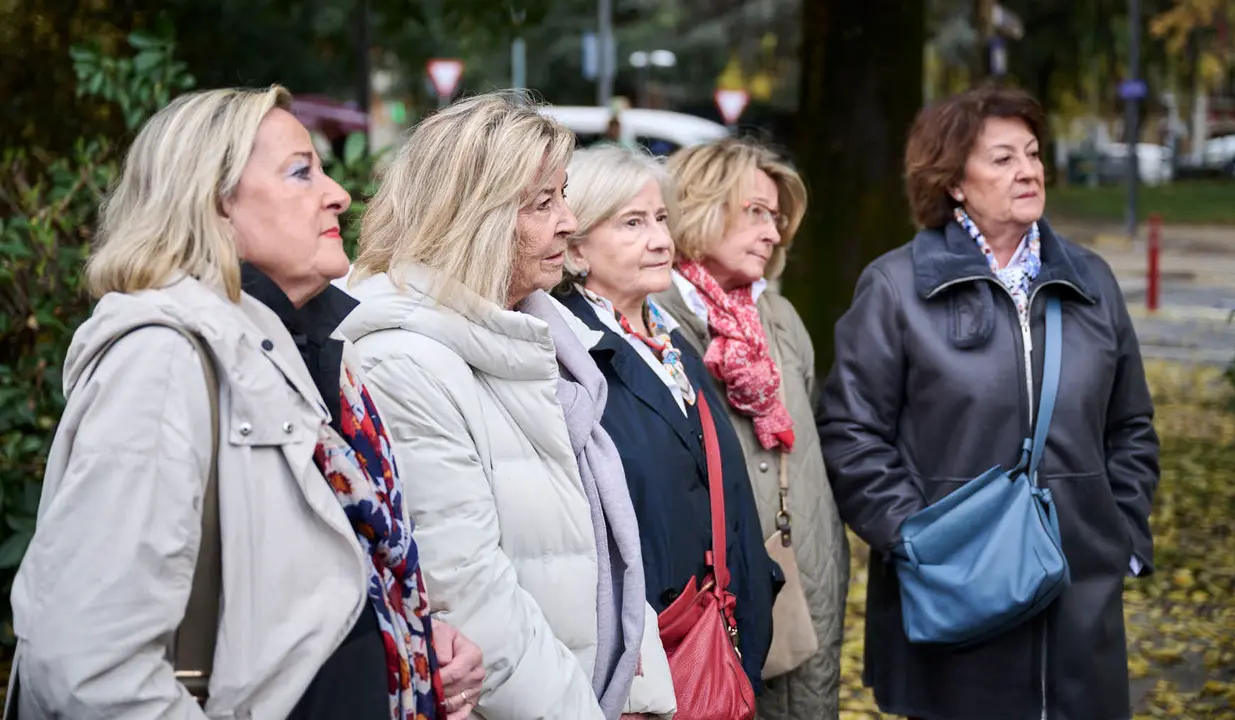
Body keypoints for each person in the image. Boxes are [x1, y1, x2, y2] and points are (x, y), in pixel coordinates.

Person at [7, 86, 483, 719]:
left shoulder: (309, 352)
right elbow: (89, 665)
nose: (338, 194)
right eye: (301, 171)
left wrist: (410, 638)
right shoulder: (163, 359)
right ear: (213, 206)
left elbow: (305, 591)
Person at [817, 85, 1159, 720]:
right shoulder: (896, 287)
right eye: (1002, 159)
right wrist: (917, 539)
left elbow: (1131, 424)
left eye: (1032, 153)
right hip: (954, 598)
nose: (1028, 170)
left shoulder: (1092, 281)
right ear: (953, 181)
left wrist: (1123, 535)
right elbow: (850, 433)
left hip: (1081, 605)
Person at [337, 92, 675, 720]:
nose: (569, 221)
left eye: (563, 196)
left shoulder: (531, 337)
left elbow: (593, 542)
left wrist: (638, 691)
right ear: (475, 217)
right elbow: (467, 596)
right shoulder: (405, 364)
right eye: (544, 203)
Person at [553, 145, 777, 690]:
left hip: (719, 643)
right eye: (631, 223)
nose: (659, 239)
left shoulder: (673, 343)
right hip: (646, 660)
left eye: (659, 219)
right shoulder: (571, 358)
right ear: (577, 248)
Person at [656, 137, 850, 720]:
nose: (774, 232)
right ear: (698, 206)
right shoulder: (656, 317)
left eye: (778, 218)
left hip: (808, 575)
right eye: (756, 213)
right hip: (714, 602)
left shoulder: (780, 318)